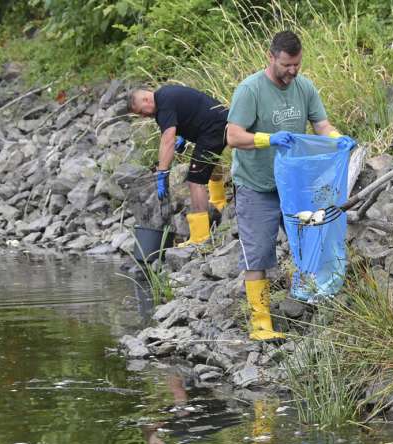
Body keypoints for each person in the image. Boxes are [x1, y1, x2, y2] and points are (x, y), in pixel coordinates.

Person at [226, 30, 354, 341]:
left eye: (297, 64)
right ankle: (261, 325)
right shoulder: (250, 90)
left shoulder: (304, 87)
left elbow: (321, 125)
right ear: (271, 57)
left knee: (314, 239)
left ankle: (318, 305)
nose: (292, 71)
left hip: (295, 187)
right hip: (256, 186)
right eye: (286, 65)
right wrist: (267, 139)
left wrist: (339, 140)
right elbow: (232, 136)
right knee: (258, 255)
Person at [129, 85, 230, 246]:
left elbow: (167, 140)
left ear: (146, 99)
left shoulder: (163, 105)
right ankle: (219, 202)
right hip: (222, 121)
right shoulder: (166, 95)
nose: (143, 116)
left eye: (142, 112)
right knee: (208, 163)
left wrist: (162, 173)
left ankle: (200, 236)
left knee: (195, 181)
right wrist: (184, 135)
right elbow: (190, 109)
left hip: (213, 129)